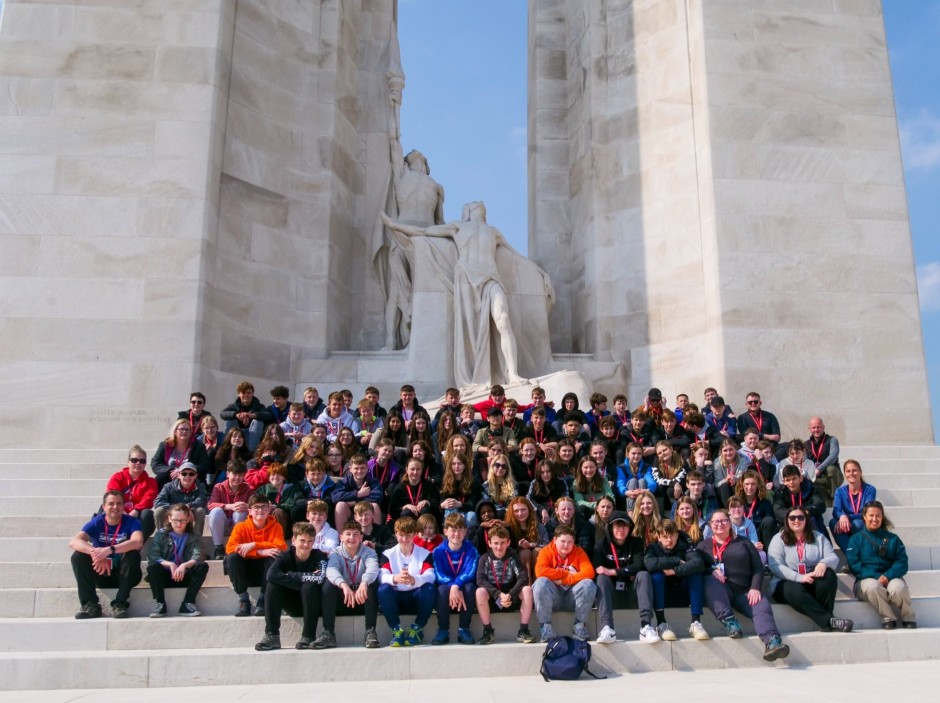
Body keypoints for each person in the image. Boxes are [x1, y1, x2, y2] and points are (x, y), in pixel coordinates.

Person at [383, 202, 554, 385]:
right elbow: (424, 232)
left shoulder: (493, 231)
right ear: (468, 211)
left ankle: (512, 374)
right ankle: (476, 375)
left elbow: (514, 254)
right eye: (475, 204)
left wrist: (542, 274)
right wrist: (394, 225)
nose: (480, 204)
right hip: (466, 276)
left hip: (491, 277)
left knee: (503, 320)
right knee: (469, 326)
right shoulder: (458, 227)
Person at [697, 508, 790, 662]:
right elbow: (698, 567)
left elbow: (758, 568)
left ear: (729, 522)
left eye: (724, 520)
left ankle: (772, 642)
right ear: (710, 524)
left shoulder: (744, 542)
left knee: (761, 604)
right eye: (716, 521)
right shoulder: (703, 546)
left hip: (744, 591)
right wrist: (710, 570)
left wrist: (755, 587)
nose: (720, 524)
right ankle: (730, 623)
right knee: (709, 580)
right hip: (720, 592)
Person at [768, 506, 852, 633]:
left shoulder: (818, 537)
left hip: (812, 581)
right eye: (792, 518)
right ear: (787, 520)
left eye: (800, 517)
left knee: (828, 575)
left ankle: (826, 623)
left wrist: (823, 564)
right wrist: (799, 577)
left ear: (806, 520)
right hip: (787, 582)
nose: (796, 521)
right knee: (793, 588)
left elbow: (832, 557)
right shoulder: (778, 539)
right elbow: (776, 566)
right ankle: (829, 620)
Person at [69, 490, 143, 619]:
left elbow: (138, 542)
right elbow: (74, 541)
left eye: (119, 503)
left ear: (123, 506)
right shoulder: (97, 522)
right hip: (101, 572)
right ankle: (90, 605)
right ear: (104, 507)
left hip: (124, 574)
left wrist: (109, 550)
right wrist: (96, 553)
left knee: (133, 554)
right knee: (78, 556)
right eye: (111, 504)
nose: (115, 507)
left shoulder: (131, 521)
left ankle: (120, 604)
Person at [255, 521, 328, 651]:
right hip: (292, 603)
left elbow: (321, 577)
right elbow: (271, 575)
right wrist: (302, 577)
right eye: (302, 540)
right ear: (293, 540)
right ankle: (272, 635)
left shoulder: (319, 556)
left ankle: (308, 636)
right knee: (272, 586)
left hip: (313, 604)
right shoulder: (285, 556)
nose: (306, 545)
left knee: (309, 587)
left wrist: (291, 575)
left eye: (310, 541)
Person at [846, 500, 916, 629]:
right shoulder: (855, 539)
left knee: (899, 588)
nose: (874, 519)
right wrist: (876, 577)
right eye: (871, 515)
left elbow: (902, 562)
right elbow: (854, 565)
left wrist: (888, 576)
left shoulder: (893, 538)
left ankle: (908, 617)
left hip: (890, 577)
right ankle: (888, 618)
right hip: (866, 581)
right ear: (864, 517)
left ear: (882, 517)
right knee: (873, 587)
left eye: (878, 515)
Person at [592, 511, 658, 644]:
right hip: (611, 594)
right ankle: (607, 628)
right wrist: (627, 571)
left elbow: (639, 566)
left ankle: (645, 626)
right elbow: (599, 569)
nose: (621, 530)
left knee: (643, 575)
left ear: (630, 528)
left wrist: (612, 572)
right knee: (601, 579)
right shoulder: (601, 544)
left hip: (631, 592)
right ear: (610, 528)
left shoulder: (636, 542)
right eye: (617, 526)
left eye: (624, 526)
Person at [317, 520, 381, 648]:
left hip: (362, 598)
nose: (352, 538)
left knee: (371, 584)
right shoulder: (335, 552)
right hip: (344, 598)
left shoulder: (369, 552)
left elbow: (373, 569)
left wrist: (364, 583)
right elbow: (331, 570)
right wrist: (343, 585)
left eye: (356, 534)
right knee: (328, 585)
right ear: (341, 537)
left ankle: (370, 632)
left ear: (361, 537)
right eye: (348, 534)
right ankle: (328, 633)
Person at [643, 519, 709, 641]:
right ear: (658, 537)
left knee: (695, 574)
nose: (669, 540)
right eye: (665, 537)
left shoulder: (684, 547)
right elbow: (650, 564)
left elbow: (698, 563)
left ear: (677, 535)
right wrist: (677, 561)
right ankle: (661, 623)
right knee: (656, 575)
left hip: (683, 592)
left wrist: (674, 571)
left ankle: (696, 623)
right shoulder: (653, 548)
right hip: (663, 594)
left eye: (672, 536)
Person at [225, 493, 287, 617]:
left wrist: (254, 544)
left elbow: (281, 546)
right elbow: (230, 548)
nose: (260, 510)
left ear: (269, 509)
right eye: (256, 507)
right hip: (245, 571)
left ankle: (263, 600)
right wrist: (259, 551)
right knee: (232, 557)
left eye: (264, 507)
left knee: (275, 556)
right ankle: (243, 600)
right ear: (250, 511)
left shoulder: (276, 526)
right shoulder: (241, 527)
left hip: (265, 572)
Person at [378, 516, 436, 647]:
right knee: (383, 589)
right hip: (396, 596)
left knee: (430, 589)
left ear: (415, 534)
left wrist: (414, 580)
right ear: (396, 534)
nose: (405, 539)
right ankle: (396, 630)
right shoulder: (388, 553)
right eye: (401, 535)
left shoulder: (425, 553)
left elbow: (430, 576)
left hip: (416, 596)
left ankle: (417, 629)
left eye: (409, 535)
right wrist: (395, 578)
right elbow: (382, 576)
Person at [532, 524, 597, 642]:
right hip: (552, 598)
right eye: (563, 541)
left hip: (572, 597)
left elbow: (589, 572)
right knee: (540, 583)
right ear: (555, 540)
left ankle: (579, 626)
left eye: (570, 542)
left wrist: (565, 580)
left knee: (588, 584)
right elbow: (540, 571)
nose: (566, 545)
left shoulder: (578, 552)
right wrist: (564, 572)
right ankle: (545, 628)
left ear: (574, 542)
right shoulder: (546, 551)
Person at [475, 525, 536, 644]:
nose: (499, 547)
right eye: (496, 543)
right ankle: (488, 631)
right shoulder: (485, 558)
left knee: (527, 590)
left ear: (508, 542)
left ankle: (523, 631)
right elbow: (480, 580)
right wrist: (498, 594)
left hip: (511, 597)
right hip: (493, 598)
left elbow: (523, 577)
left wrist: (510, 594)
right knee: (480, 591)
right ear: (489, 543)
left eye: (503, 543)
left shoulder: (513, 557)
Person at [146, 503, 208, 618]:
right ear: (169, 518)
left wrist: (184, 565)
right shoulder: (161, 535)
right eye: (175, 520)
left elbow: (198, 556)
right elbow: (153, 555)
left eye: (182, 520)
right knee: (153, 567)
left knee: (202, 566)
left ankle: (187, 603)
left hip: (185, 575)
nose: (179, 524)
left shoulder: (195, 536)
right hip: (166, 575)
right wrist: (170, 564)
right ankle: (160, 603)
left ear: (188, 519)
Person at [432, 513, 479, 645]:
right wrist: (452, 585)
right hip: (447, 591)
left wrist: (456, 585)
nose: (456, 534)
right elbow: (439, 574)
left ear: (465, 532)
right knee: (442, 589)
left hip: (462, 590)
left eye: (460, 530)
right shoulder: (438, 551)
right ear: (445, 531)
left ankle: (464, 629)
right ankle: (443, 630)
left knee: (470, 587)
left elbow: (470, 572)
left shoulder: (471, 550)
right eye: (453, 530)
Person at [105, 445, 157, 539]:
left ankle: (136, 545)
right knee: (106, 508)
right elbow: (113, 494)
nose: (138, 463)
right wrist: (122, 510)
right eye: (134, 460)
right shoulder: (118, 477)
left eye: (142, 461)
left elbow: (149, 499)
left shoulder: (151, 482)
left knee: (147, 514)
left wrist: (136, 510)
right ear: (128, 461)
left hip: (137, 516)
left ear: (145, 464)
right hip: (119, 512)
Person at [207, 459, 251, 559]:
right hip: (222, 525)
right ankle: (218, 548)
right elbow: (210, 505)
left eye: (240, 475)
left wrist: (248, 507)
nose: (237, 478)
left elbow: (255, 505)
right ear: (227, 474)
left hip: (239, 524)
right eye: (234, 474)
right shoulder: (219, 487)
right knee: (216, 511)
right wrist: (228, 506)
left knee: (241, 512)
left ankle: (236, 544)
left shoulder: (248, 489)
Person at [830, 459, 877, 554]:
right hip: (847, 526)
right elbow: (836, 511)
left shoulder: (870, 489)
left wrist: (847, 516)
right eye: (848, 471)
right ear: (845, 474)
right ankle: (852, 557)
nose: (851, 473)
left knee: (857, 523)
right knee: (833, 522)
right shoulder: (840, 491)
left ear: (860, 472)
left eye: (854, 470)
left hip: (863, 525)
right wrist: (842, 516)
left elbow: (867, 512)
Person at [151, 418, 210, 488]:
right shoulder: (165, 445)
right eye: (181, 429)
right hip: (170, 477)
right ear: (175, 431)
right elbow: (155, 464)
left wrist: (183, 471)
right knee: (159, 478)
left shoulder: (198, 446)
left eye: (187, 429)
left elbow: (204, 465)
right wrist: (171, 470)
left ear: (191, 432)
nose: (184, 431)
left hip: (190, 478)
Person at [152, 461, 207, 535]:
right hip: (172, 513)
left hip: (191, 513)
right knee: (159, 511)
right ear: (178, 475)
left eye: (191, 474)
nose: (187, 476)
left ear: (195, 476)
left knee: (200, 511)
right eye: (184, 474)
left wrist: (189, 506)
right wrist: (176, 509)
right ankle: (161, 537)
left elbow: (202, 500)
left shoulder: (201, 486)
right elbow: (158, 501)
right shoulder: (169, 486)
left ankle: (197, 539)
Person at [219, 380, 273, 452]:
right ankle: (228, 449)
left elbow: (269, 416)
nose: (246, 395)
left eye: (248, 393)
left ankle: (252, 452)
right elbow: (222, 413)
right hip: (237, 435)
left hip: (251, 436)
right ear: (239, 394)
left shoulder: (259, 406)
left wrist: (252, 415)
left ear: (252, 393)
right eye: (243, 393)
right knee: (229, 420)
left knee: (258, 422)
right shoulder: (234, 406)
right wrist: (236, 415)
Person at [504, 496, 549, 581]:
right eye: (516, 511)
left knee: (538, 551)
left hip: (538, 561)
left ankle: (538, 584)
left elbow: (547, 545)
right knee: (525, 552)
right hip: (517, 563)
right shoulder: (509, 528)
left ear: (529, 510)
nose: (520, 513)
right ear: (512, 513)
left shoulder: (539, 526)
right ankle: (527, 586)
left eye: (523, 509)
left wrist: (531, 545)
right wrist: (519, 547)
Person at [332, 454, 383, 528]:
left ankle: (376, 537)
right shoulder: (344, 482)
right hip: (349, 514)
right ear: (350, 469)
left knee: (374, 506)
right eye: (356, 468)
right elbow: (335, 497)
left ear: (367, 468)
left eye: (362, 468)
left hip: (365, 514)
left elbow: (378, 496)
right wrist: (357, 494)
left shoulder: (373, 482)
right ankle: (341, 537)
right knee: (340, 505)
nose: (359, 471)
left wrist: (354, 502)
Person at [773, 464, 826, 535]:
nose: (791, 482)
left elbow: (820, 504)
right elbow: (778, 511)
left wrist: (807, 511)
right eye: (788, 480)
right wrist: (794, 516)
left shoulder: (811, 488)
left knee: (814, 518)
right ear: (784, 481)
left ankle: (819, 543)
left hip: (808, 520)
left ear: (800, 478)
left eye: (794, 478)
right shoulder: (780, 492)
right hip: (790, 522)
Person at [388, 456, 440, 522]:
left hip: (425, 523)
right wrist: (404, 507)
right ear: (406, 470)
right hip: (407, 522)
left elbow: (437, 507)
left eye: (418, 469)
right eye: (412, 469)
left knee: (425, 508)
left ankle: (423, 531)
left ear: (422, 470)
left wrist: (428, 503)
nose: (415, 472)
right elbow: (392, 511)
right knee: (406, 512)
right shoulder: (400, 488)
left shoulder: (429, 485)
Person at [255, 462, 299, 540]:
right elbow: (254, 503)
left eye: (279, 474)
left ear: (284, 477)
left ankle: (278, 537)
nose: (275, 477)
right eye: (272, 474)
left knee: (278, 511)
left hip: (284, 521)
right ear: (268, 477)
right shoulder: (262, 489)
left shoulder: (291, 488)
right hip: (266, 518)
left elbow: (291, 505)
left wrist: (275, 506)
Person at [439, 451, 482, 531]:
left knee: (471, 515)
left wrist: (460, 504)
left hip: (466, 513)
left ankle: (466, 539)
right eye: (454, 464)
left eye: (459, 464)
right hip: (452, 513)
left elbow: (473, 504)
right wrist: (442, 505)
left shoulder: (473, 482)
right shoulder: (446, 481)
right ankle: (452, 536)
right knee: (450, 508)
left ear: (465, 465)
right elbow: (441, 501)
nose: (456, 466)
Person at [735, 469, 776, 551]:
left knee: (768, 521)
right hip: (740, 534)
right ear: (742, 485)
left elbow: (769, 524)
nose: (749, 487)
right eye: (747, 484)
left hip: (758, 536)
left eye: (753, 484)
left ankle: (769, 555)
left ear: (758, 485)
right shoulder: (736, 503)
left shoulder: (765, 503)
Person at [291, 458, 336, 524]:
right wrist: (309, 502)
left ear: (324, 473)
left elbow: (331, 498)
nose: (316, 477)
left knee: (330, 509)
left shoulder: (330, 484)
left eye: (319, 473)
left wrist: (319, 502)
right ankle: (300, 530)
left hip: (323, 508)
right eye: (313, 474)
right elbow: (298, 500)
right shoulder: (300, 485)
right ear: (306, 474)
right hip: (307, 507)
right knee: (296, 510)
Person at [572, 456, 615, 521]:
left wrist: (602, 506)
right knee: (581, 508)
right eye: (586, 467)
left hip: (603, 511)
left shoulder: (603, 480)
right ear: (581, 468)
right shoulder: (576, 482)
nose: (589, 470)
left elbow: (611, 497)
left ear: (596, 467)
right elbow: (579, 502)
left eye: (591, 467)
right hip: (588, 511)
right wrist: (598, 505)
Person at [527, 460, 569, 526]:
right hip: (540, 511)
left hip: (556, 510)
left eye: (548, 471)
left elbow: (565, 499)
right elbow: (529, 499)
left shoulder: (561, 482)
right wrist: (542, 509)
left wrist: (556, 510)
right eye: (542, 472)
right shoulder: (535, 483)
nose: (545, 475)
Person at [615, 442, 654, 512]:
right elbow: (620, 484)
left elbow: (651, 481)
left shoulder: (646, 467)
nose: (636, 456)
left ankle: (643, 510)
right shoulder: (621, 467)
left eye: (639, 454)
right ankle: (631, 512)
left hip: (643, 493)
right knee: (633, 481)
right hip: (628, 498)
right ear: (627, 454)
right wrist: (627, 492)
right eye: (633, 453)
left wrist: (648, 490)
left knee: (642, 481)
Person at [712, 439, 750, 508]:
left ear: (735, 449)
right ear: (721, 452)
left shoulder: (743, 461)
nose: (728, 453)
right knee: (725, 486)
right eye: (725, 450)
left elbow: (742, 478)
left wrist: (735, 479)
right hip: (722, 490)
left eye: (731, 449)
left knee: (736, 485)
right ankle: (728, 510)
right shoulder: (717, 462)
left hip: (737, 487)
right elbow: (716, 483)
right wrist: (726, 479)